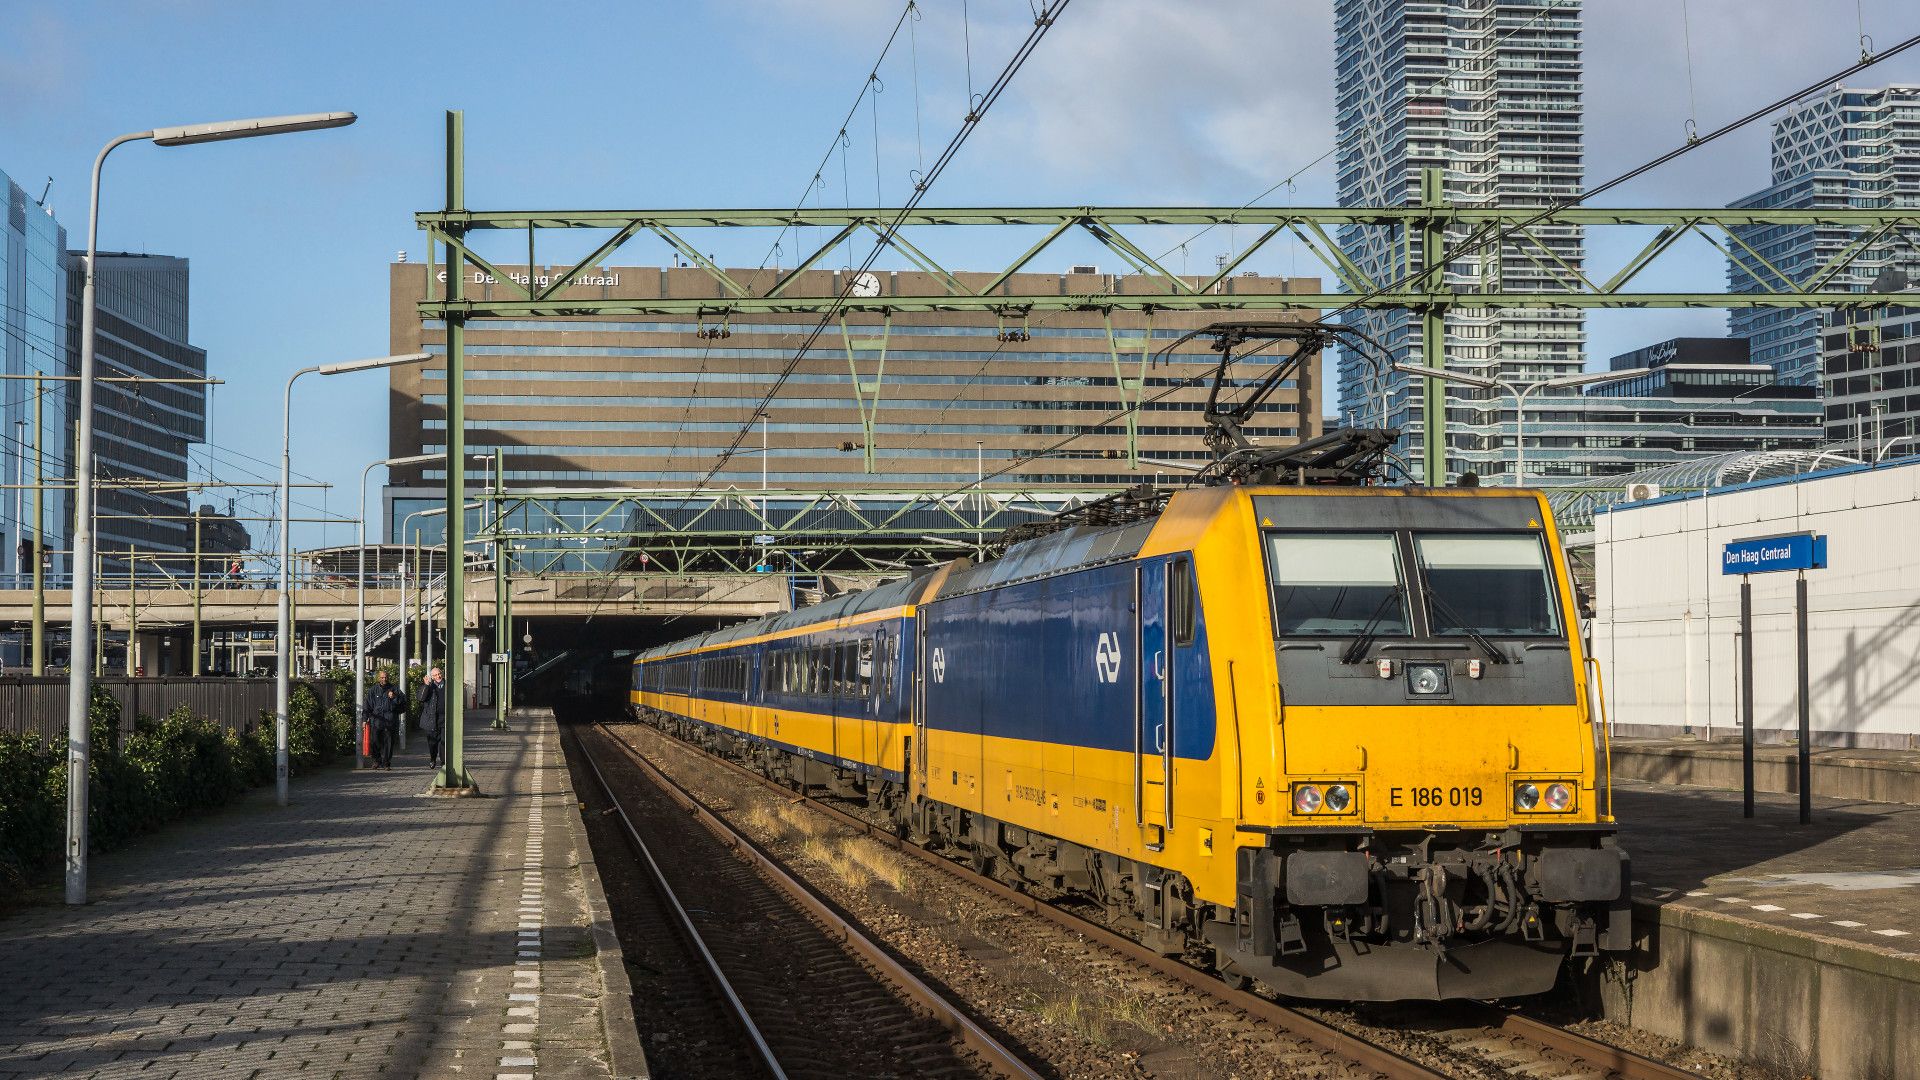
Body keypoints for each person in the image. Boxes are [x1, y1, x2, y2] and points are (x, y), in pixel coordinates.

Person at [364, 668, 409, 770]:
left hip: (390, 721)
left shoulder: (395, 689)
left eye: (385, 677)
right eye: (382, 677)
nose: (384, 679)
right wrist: (364, 719)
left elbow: (403, 703)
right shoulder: (373, 690)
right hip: (376, 721)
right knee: (375, 741)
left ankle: (386, 763)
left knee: (388, 743)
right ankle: (376, 761)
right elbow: (367, 706)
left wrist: (394, 698)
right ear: (378, 678)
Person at [419, 665, 446, 768]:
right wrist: (426, 685)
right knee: (432, 742)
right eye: (435, 675)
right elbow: (421, 698)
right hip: (431, 719)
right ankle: (433, 758)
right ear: (432, 677)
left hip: (444, 718)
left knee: (444, 741)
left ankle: (443, 762)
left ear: (442, 674)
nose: (438, 676)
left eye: (439, 674)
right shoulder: (429, 687)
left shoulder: (448, 684)